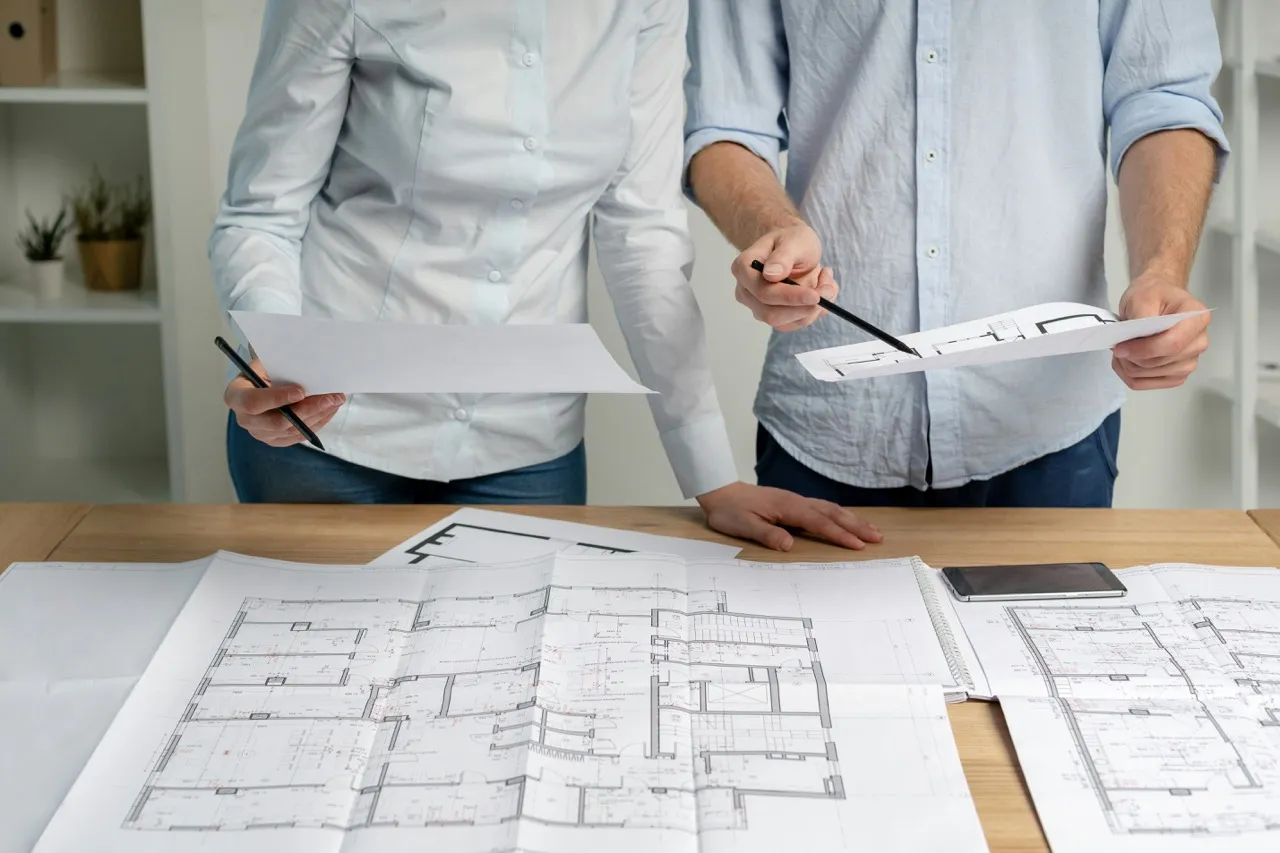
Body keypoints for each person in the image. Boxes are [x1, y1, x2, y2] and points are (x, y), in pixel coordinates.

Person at [208, 0, 881, 552]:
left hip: (525, 444)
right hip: (332, 431)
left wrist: (714, 479)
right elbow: (260, 212)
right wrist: (281, 360)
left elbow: (640, 233)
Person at [684, 1, 1227, 509]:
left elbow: (1162, 98)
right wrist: (774, 230)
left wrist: (1161, 269)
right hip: (831, 423)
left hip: (1049, 421)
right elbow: (725, 124)